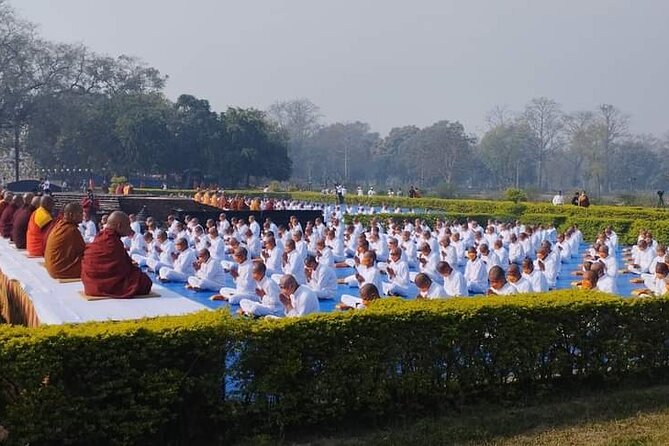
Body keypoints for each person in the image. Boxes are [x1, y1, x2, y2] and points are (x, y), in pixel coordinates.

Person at [81, 211, 152, 298]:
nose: (130, 228)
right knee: (145, 282)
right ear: (119, 226)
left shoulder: (100, 236)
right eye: (128, 225)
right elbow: (123, 269)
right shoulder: (113, 242)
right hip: (106, 283)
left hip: (89, 283)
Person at [44, 203, 86, 279]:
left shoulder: (59, 224)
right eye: (80, 213)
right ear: (71, 215)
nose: (82, 216)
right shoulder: (72, 230)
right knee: (94, 263)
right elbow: (84, 252)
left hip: (52, 268)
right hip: (61, 271)